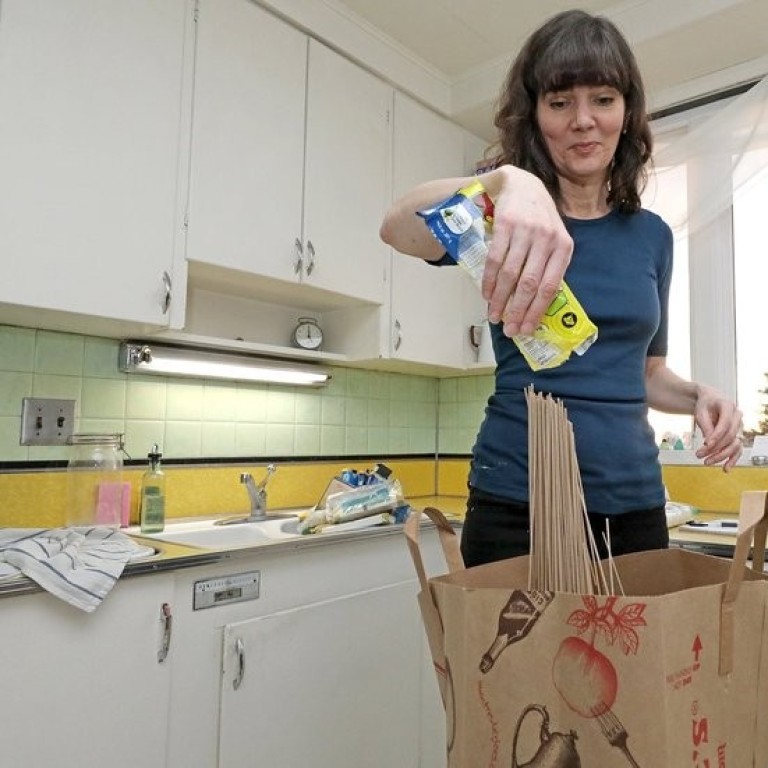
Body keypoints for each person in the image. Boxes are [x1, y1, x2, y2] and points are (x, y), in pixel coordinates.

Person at [379, 9, 743, 567]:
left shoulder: (651, 237)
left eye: (602, 99)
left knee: (630, 657)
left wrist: (699, 397)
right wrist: (506, 180)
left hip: (633, 502)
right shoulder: (501, 213)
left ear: (626, 113)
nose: (583, 121)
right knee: (513, 655)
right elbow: (397, 226)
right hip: (516, 500)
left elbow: (645, 373)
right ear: (535, 116)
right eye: (559, 102)